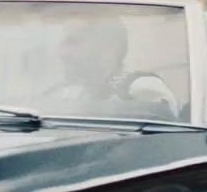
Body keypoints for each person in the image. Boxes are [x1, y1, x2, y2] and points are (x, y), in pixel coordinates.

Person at [47, 14, 179, 117]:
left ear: (109, 47)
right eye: (63, 43)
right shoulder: (69, 95)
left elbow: (164, 144)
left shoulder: (140, 88)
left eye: (73, 41)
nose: (62, 53)